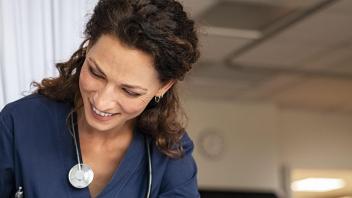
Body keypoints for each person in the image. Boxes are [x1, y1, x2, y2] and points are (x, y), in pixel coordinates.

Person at [0, 0, 200, 197]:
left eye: (129, 91)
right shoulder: (19, 122)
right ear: (88, 47)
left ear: (164, 86)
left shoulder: (170, 150)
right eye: (96, 73)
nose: (102, 101)